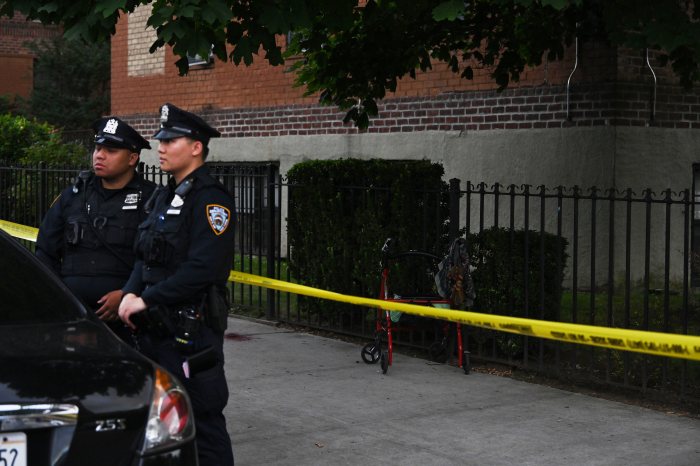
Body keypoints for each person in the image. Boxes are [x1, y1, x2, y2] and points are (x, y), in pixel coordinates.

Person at [118, 103, 235, 466]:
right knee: (161, 422)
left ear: (196, 147)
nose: (161, 147)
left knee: (204, 418)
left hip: (192, 331)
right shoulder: (165, 195)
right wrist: (130, 293)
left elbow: (202, 269)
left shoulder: (211, 200)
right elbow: (145, 255)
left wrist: (146, 299)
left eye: (171, 140)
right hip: (156, 328)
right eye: (160, 141)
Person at [36, 117, 155, 344]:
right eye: (98, 148)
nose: (99, 155)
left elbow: (152, 257)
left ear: (132, 158)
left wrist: (127, 293)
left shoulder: (151, 199)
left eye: (110, 150)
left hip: (129, 319)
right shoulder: (72, 196)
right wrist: (63, 298)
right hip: (73, 315)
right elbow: (45, 251)